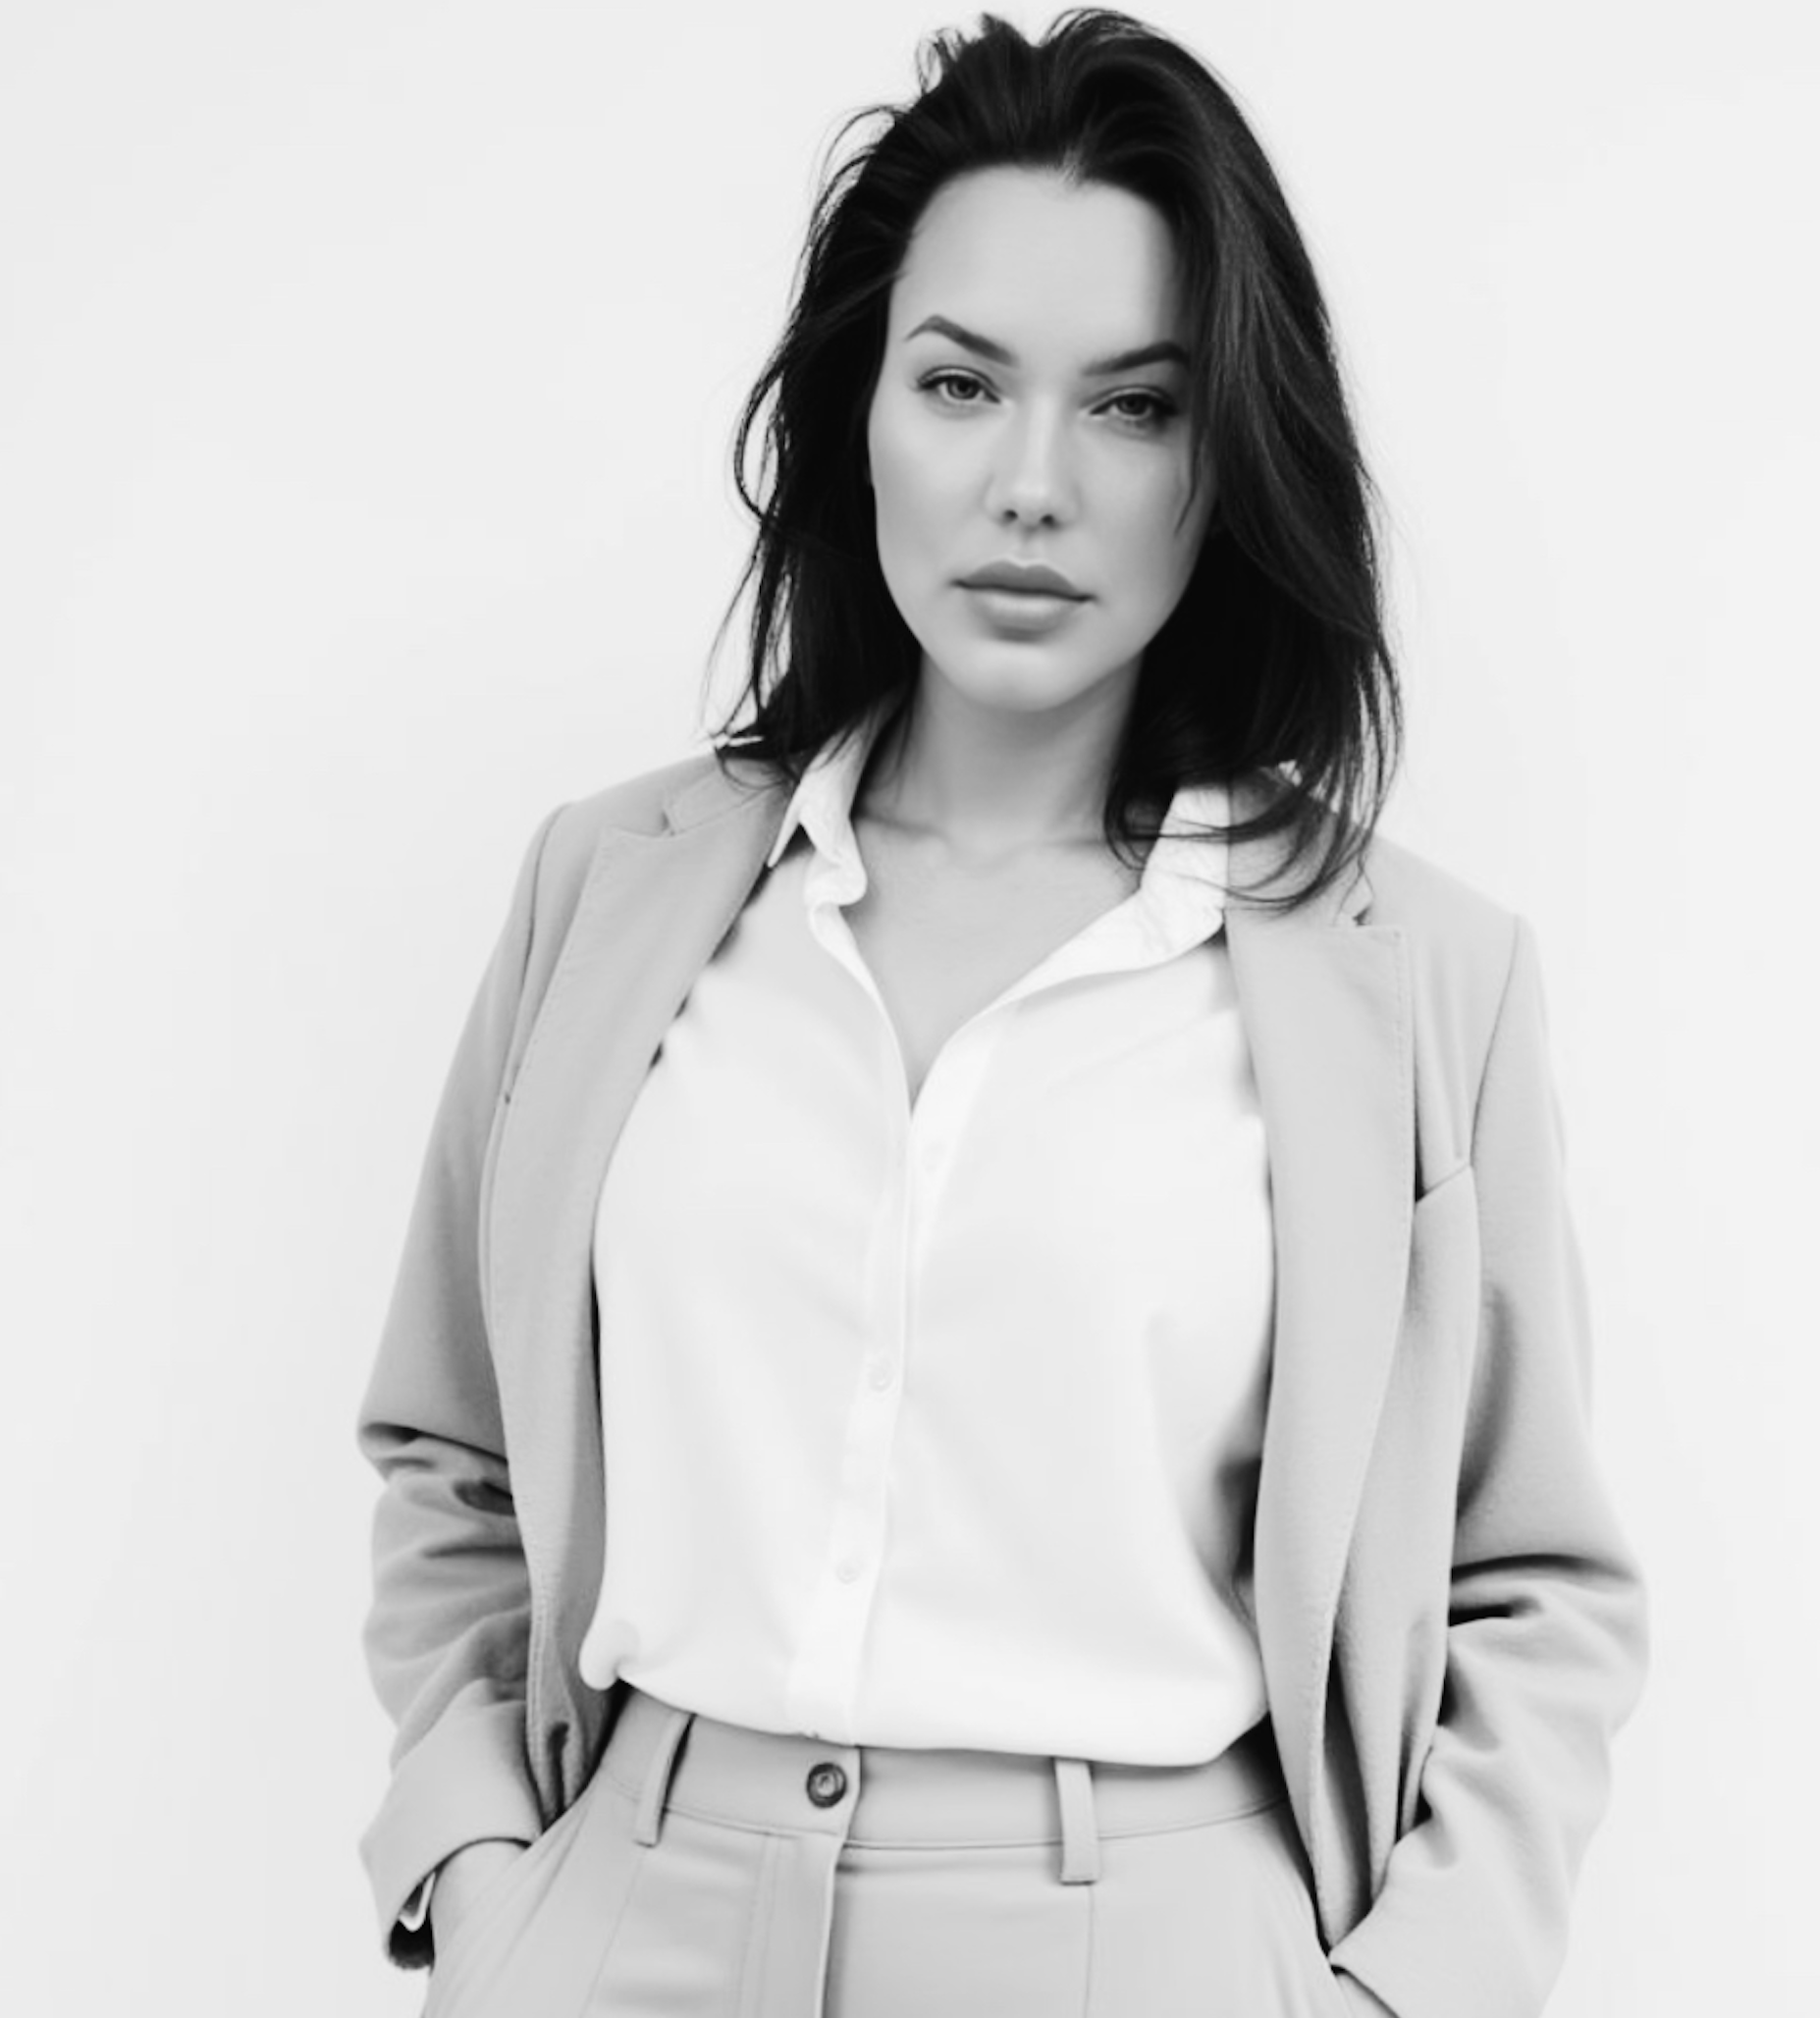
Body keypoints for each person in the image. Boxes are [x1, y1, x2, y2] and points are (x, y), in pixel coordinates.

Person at [354, 11, 1647, 2016]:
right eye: (960, 383)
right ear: (858, 408)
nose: (1030, 486)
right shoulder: (606, 889)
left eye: (1132, 407)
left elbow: (1533, 1577)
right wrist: (474, 1868)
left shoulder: (1419, 980)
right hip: (624, 1920)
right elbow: (455, 1446)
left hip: (1152, 1942)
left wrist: (1411, 1990)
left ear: (1227, 456)